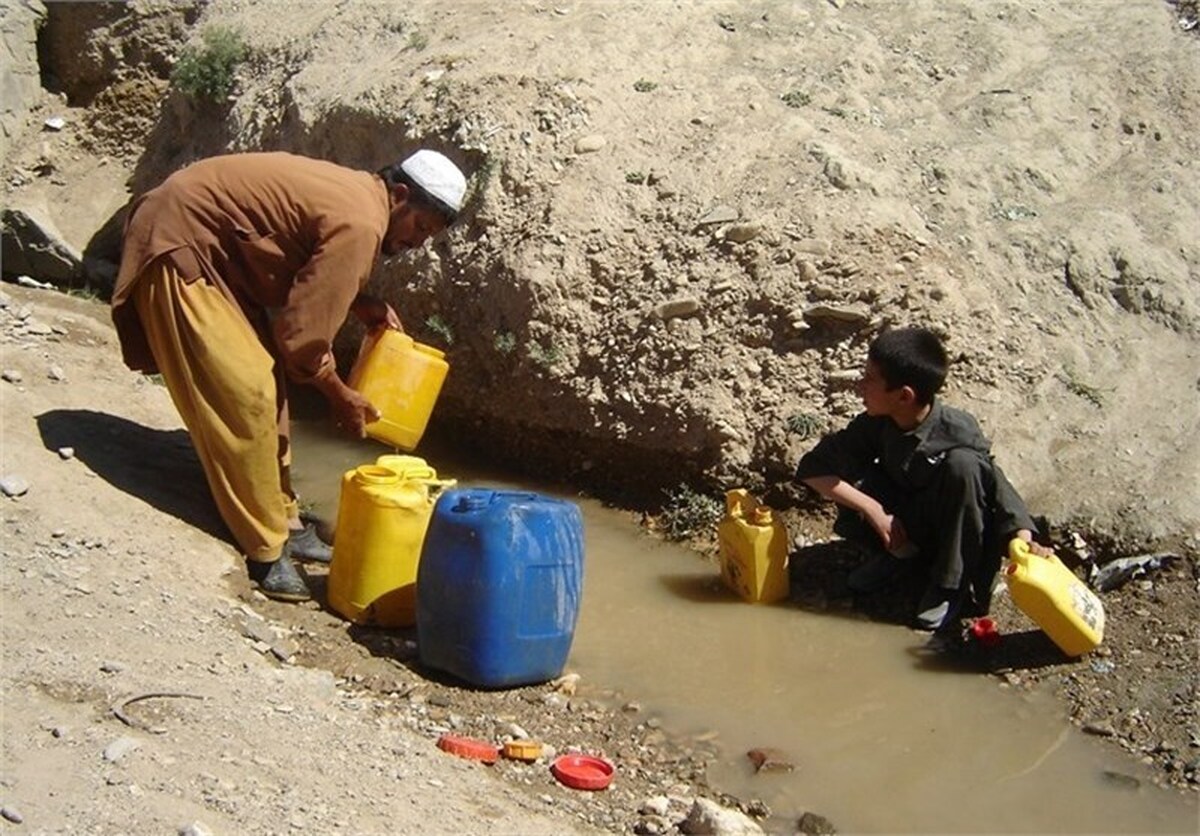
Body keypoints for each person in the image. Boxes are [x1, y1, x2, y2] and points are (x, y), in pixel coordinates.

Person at [110, 149, 467, 602]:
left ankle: (285, 519)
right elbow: (302, 338)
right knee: (248, 391)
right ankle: (264, 549)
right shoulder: (361, 223)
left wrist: (360, 302)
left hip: (221, 255)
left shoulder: (361, 200)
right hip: (181, 242)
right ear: (400, 195)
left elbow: (299, 256)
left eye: (428, 236)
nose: (418, 242)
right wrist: (339, 394)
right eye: (419, 228)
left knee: (268, 382)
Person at [794, 326, 1047, 630]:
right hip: (905, 522)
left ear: (904, 396)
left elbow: (995, 483)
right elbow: (812, 469)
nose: (860, 386)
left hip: (949, 531)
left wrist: (1023, 537)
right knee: (855, 474)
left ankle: (949, 585)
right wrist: (874, 510)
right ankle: (899, 555)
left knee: (964, 466)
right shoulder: (878, 423)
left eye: (869, 379)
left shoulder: (958, 429)